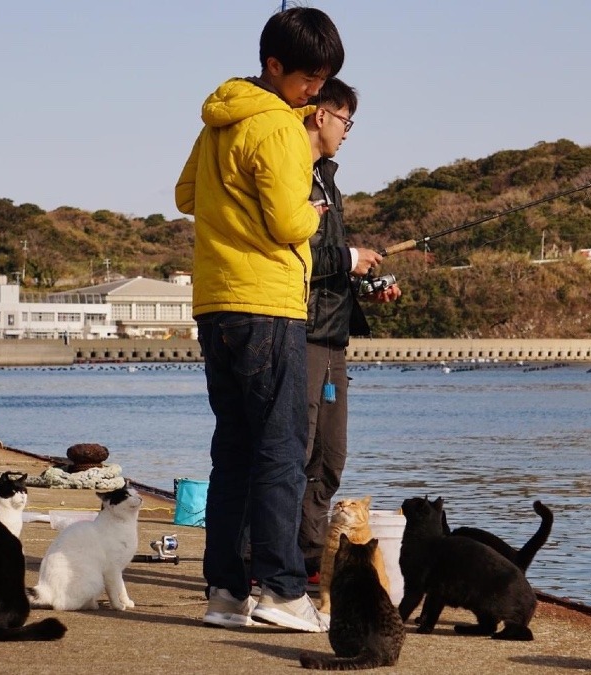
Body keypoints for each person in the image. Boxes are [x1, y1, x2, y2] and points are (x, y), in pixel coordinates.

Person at [174, 7, 344, 633]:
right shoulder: (277, 128)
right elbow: (289, 222)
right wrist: (315, 206)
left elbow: (186, 195)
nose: (315, 93)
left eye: (322, 82)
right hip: (267, 302)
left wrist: (232, 206)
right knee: (280, 452)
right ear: (275, 67)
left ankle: (224, 591)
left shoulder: (221, 121)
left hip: (216, 301)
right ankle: (280, 590)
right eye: (308, 80)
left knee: (235, 451)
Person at [298, 79, 402, 587]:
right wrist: (348, 258)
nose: (347, 132)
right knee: (294, 452)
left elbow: (328, 266)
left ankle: (309, 558)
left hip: (334, 336)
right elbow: (291, 255)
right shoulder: (293, 172)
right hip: (303, 335)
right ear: (320, 115)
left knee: (329, 458)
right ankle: (265, 563)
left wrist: (364, 278)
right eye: (345, 120)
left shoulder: (327, 183)